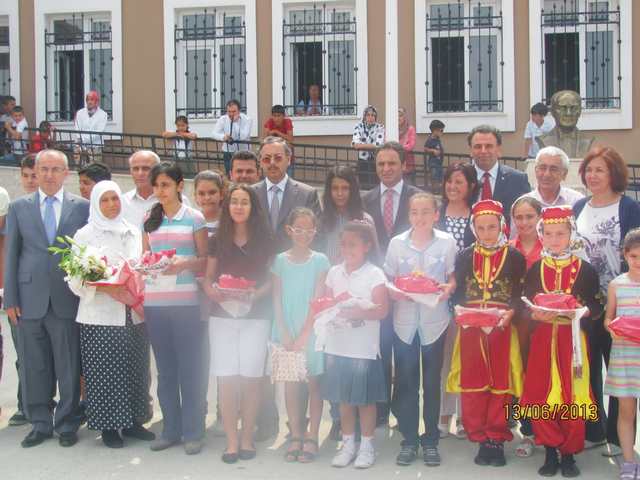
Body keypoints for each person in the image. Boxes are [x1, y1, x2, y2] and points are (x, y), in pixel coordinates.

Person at [4, 149, 90, 448]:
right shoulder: (18, 207)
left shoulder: (82, 207)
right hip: (28, 299)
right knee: (33, 365)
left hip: (67, 297)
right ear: (35, 172)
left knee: (68, 365)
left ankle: (67, 423)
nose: (50, 175)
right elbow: (12, 253)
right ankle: (39, 422)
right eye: (44, 169)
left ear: (67, 173)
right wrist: (10, 299)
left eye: (56, 169)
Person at [69, 181, 154, 448]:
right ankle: (108, 427)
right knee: (105, 371)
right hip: (100, 315)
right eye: (105, 200)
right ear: (96, 203)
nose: (111, 205)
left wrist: (132, 279)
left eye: (115, 199)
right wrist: (99, 281)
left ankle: (134, 422)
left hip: (133, 313)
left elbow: (141, 266)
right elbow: (73, 278)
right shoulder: (85, 234)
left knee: (135, 368)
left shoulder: (131, 230)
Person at [520, 206, 602, 477]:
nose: (555, 239)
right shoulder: (535, 270)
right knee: (542, 395)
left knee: (573, 395)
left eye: (561, 233)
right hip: (543, 340)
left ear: (571, 235)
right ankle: (549, 451)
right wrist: (534, 313)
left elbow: (596, 303)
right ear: (541, 234)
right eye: (549, 233)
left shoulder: (585, 270)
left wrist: (582, 311)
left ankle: (569, 453)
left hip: (574, 343)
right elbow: (526, 305)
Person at [447, 199, 526, 467]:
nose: (487, 233)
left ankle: (496, 437)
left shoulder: (514, 256)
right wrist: (458, 312)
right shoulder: (465, 255)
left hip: (502, 328)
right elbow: (457, 293)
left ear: (502, 226)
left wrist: (510, 313)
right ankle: (480, 437)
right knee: (473, 385)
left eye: (492, 227)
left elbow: (519, 294)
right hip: (471, 330)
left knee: (500, 385)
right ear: (474, 228)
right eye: (481, 228)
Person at [573, 146, 640, 448]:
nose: (593, 175)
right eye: (589, 169)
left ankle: (617, 438)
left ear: (614, 173)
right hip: (589, 305)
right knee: (588, 368)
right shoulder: (578, 208)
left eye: (600, 169)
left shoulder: (629, 208)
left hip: (622, 304)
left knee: (620, 372)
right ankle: (594, 430)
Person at [203, 184, 274, 463]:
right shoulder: (216, 239)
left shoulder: (266, 238)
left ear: (252, 207)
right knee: (227, 379)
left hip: (255, 317)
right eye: (234, 202)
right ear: (227, 206)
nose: (239, 207)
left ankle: (247, 438)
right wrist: (212, 292)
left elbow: (271, 279)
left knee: (252, 379)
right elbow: (208, 278)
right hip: (222, 317)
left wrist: (256, 294)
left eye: (245, 202)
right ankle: (232, 442)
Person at [384, 193, 456, 467]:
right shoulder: (397, 244)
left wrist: (448, 288)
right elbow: (388, 278)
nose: (421, 217)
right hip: (404, 323)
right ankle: (409, 439)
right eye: (415, 212)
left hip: (434, 321)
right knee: (406, 382)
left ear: (436, 215)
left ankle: (431, 440)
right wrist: (395, 293)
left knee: (431, 383)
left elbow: (451, 277)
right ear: (409, 215)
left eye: (426, 212)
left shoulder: (446, 242)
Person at [142, 162, 208, 455]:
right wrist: (146, 266)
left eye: (166, 185)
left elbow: (205, 259)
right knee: (166, 371)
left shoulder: (195, 218)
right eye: (156, 185)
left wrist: (184, 264)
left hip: (186, 305)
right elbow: (144, 257)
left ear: (180, 186)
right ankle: (171, 429)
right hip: (156, 304)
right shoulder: (148, 218)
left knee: (190, 369)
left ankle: (194, 431)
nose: (161, 191)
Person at [362, 142, 422, 426]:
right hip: (376, 291)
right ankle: (382, 408)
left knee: (407, 356)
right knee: (381, 350)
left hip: (410, 292)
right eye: (381, 164)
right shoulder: (365, 199)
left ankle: (405, 410)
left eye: (391, 164)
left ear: (404, 165)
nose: (386, 169)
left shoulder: (418, 199)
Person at [322, 221, 389, 469]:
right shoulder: (334, 272)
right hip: (337, 345)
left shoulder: (374, 274)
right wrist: (329, 310)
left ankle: (367, 446)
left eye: (353, 244)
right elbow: (327, 302)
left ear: (367, 246)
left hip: (362, 349)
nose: (347, 248)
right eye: (343, 243)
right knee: (343, 400)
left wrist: (356, 313)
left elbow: (382, 311)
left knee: (365, 400)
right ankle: (348, 444)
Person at [272, 208, 330, 463]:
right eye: (299, 229)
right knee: (291, 383)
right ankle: (295, 433)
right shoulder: (279, 261)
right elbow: (276, 299)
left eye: (309, 230)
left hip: (312, 330)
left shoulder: (320, 261)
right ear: (289, 230)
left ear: (315, 232)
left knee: (314, 384)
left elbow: (318, 299)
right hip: (286, 329)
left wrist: (306, 332)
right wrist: (284, 331)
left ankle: (312, 435)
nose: (303, 234)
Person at [604, 229, 640, 480]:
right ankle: (628, 461)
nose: (639, 261)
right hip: (626, 355)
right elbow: (608, 318)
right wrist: (612, 329)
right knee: (626, 411)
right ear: (625, 255)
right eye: (634, 256)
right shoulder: (616, 285)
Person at [254, 136, 321, 253]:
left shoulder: (307, 194)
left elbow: (317, 233)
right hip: (259, 263)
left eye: (278, 158)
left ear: (288, 159)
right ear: (260, 162)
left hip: (295, 264)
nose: (272, 163)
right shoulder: (251, 194)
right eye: (266, 159)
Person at [469, 124, 531, 227]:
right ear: (470, 151)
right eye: (478, 146)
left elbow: (529, 215)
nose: (483, 151)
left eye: (489, 146)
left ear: (498, 149)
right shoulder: (462, 179)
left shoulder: (517, 180)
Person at [436, 162, 479, 252]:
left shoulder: (478, 215)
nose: (452, 186)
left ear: (471, 186)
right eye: (449, 181)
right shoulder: (435, 212)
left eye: (458, 182)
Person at [122, 150, 161, 230]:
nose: (140, 173)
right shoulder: (121, 202)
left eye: (146, 169)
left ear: (158, 171)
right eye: (135, 169)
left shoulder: (174, 200)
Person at [212, 99, 252, 175]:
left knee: (243, 174)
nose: (231, 114)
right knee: (230, 174)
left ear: (239, 111)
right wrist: (223, 136)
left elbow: (243, 136)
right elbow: (214, 133)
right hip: (228, 152)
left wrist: (234, 123)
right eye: (229, 111)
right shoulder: (223, 119)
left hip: (243, 152)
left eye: (234, 111)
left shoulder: (247, 120)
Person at [352, 106, 385, 188]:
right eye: (368, 115)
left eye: (373, 115)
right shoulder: (358, 126)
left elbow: (378, 144)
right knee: (363, 186)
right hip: (362, 161)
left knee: (375, 186)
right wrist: (371, 146)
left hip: (375, 161)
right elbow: (355, 144)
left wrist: (362, 145)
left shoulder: (380, 127)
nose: (371, 117)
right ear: (364, 116)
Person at [74, 90, 108, 166]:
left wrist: (85, 139)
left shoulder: (103, 114)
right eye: (88, 100)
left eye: (92, 100)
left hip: (95, 146)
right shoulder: (80, 113)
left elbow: (99, 131)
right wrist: (81, 141)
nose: (89, 102)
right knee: (80, 169)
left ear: (97, 102)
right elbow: (77, 128)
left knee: (95, 169)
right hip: (80, 146)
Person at [510, 196, 544, 270]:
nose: (524, 222)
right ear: (514, 219)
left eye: (529, 217)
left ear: (540, 217)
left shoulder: (551, 248)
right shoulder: (506, 249)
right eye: (519, 217)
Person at [263, 105, 295, 176]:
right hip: (273, 156)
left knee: (288, 178)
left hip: (287, 156)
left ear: (283, 116)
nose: (276, 118)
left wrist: (276, 132)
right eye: (274, 116)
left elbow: (291, 139)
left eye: (278, 116)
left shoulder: (287, 122)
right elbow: (266, 139)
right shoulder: (270, 121)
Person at [193, 170, 225, 235]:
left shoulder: (231, 221)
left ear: (221, 194)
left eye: (212, 192)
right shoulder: (190, 222)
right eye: (201, 193)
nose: (207, 198)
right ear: (195, 196)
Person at [424, 119, 445, 191]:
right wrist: (433, 151)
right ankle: (434, 190)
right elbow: (425, 148)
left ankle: (438, 189)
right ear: (435, 131)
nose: (442, 132)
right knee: (434, 177)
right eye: (441, 131)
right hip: (433, 162)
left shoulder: (437, 139)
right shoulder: (430, 139)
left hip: (439, 162)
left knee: (440, 176)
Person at [398, 107, 416, 183]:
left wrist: (397, 148)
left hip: (407, 166)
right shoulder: (391, 129)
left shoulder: (410, 129)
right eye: (396, 116)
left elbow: (411, 145)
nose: (398, 118)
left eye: (400, 115)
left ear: (405, 117)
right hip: (395, 166)